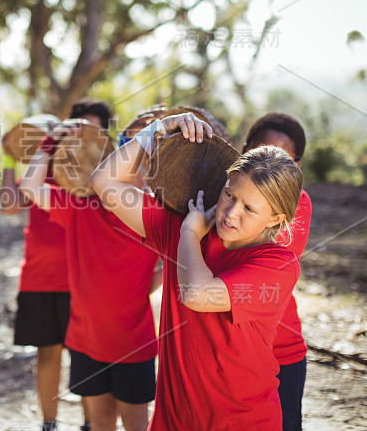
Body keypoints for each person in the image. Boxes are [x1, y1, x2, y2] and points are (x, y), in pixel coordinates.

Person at [90, 112, 303, 430]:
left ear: (275, 218)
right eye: (230, 195)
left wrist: (189, 234)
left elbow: (198, 293)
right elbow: (103, 182)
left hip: (242, 422)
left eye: (249, 208)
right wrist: (159, 128)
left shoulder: (277, 264)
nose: (231, 213)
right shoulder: (181, 224)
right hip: (172, 422)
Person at [18, 101, 160, 431]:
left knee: (136, 424)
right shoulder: (83, 206)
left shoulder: (154, 214)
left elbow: (174, 262)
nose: (128, 170)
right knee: (100, 422)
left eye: (140, 163)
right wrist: (50, 142)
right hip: (86, 340)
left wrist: (141, 287)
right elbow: (29, 187)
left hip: (133, 344)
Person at [0, 99, 111, 431]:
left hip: (86, 280)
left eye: (95, 129)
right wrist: (9, 156)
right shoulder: (44, 167)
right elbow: (8, 206)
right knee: (48, 353)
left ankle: (91, 424)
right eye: (81, 126)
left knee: (86, 356)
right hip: (41, 276)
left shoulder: (107, 176)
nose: (87, 134)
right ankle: (50, 424)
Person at [243, 113, 312, 431]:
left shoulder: (299, 205)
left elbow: (256, 267)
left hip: (280, 350)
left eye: (283, 158)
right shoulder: (222, 198)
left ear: (296, 168)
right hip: (229, 353)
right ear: (243, 150)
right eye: (261, 152)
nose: (268, 165)